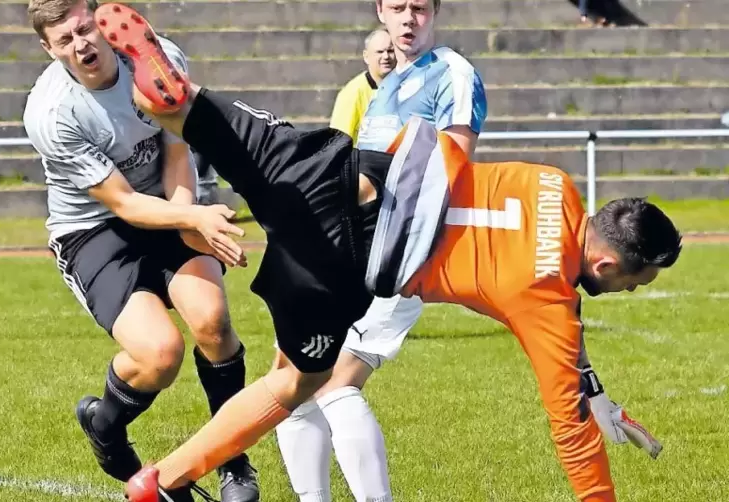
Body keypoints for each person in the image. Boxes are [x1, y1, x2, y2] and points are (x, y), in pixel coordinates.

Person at [92, 5, 679, 501]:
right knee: (298, 383)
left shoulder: (554, 183)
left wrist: (590, 384)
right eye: (637, 280)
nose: (632, 289)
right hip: (344, 259)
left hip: (344, 171)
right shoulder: (548, 301)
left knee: (199, 114)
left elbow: (439, 149)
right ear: (606, 264)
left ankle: (180, 99)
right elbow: (570, 427)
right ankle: (163, 480)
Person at [22, 1, 258, 501]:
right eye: (64, 40)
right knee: (160, 354)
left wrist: (189, 214)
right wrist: (194, 220)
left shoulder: (154, 58)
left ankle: (232, 459)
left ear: (100, 22)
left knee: (213, 323)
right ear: (48, 49)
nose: (81, 44)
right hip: (94, 229)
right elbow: (124, 203)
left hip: (171, 201)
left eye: (84, 29)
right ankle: (105, 425)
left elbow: (176, 150)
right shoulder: (51, 113)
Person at [277, 0, 487, 499]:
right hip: (350, 249)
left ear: (436, 11)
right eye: (397, 7)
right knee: (293, 380)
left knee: (334, 383)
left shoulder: (453, 74)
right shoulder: (386, 82)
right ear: (380, 11)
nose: (408, 18)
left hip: (401, 255)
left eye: (419, 7)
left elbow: (448, 175)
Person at [328, 28, 394, 144]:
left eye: (391, 51)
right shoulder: (352, 93)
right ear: (366, 56)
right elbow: (337, 142)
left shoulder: (405, 87)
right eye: (379, 52)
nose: (386, 57)